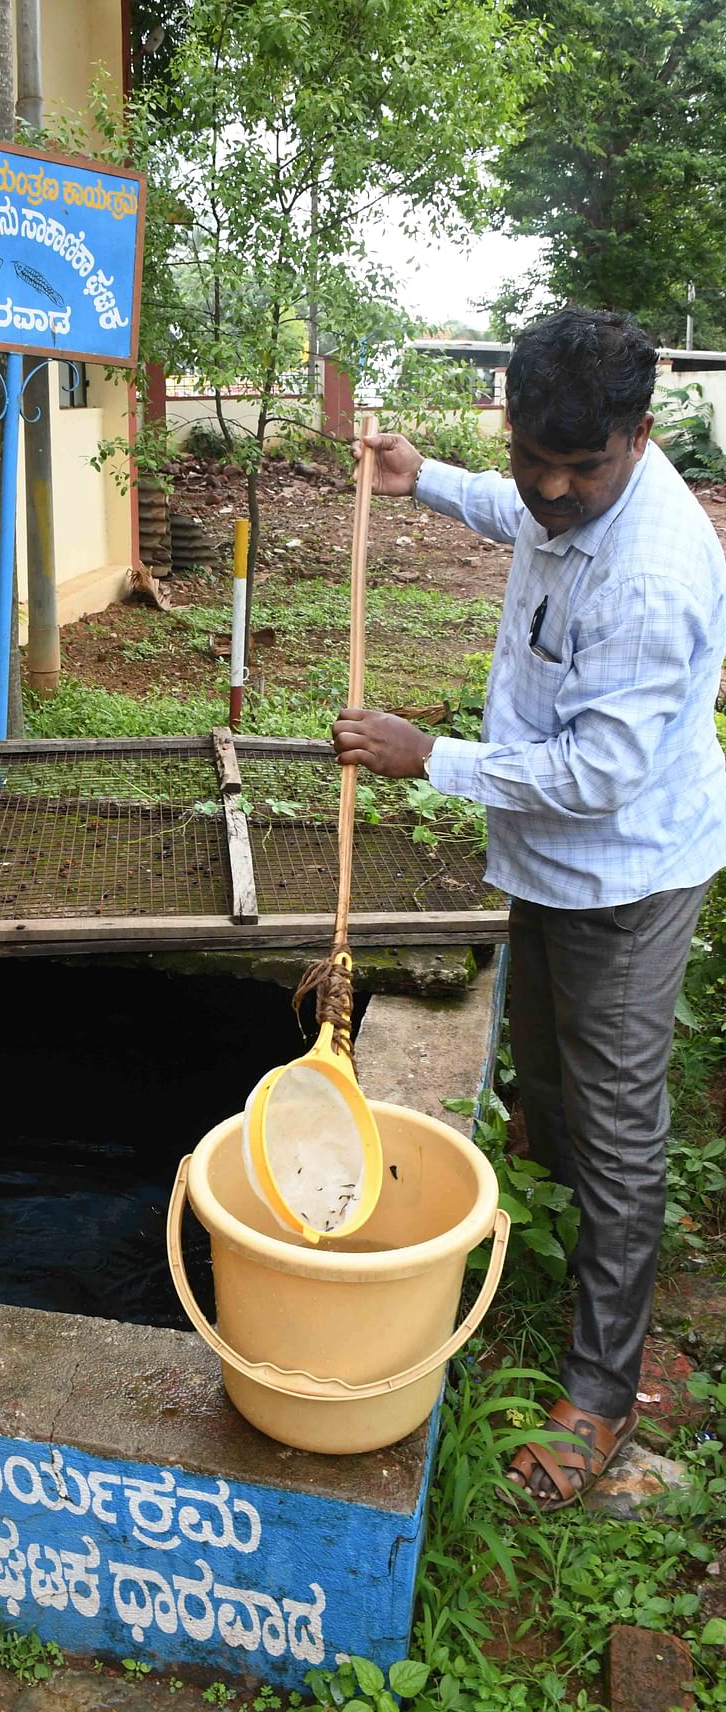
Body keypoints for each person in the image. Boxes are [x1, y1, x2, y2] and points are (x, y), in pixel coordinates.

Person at [333, 308, 726, 1511]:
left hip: (623, 873)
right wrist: (428, 482)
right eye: (531, 462)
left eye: (582, 470)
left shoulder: (654, 574)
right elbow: (525, 512)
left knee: (616, 1125)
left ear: (638, 438)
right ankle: (552, 1255)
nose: (551, 493)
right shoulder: (561, 493)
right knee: (543, 1084)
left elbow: (595, 779)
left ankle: (601, 1395)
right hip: (548, 864)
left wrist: (430, 757)